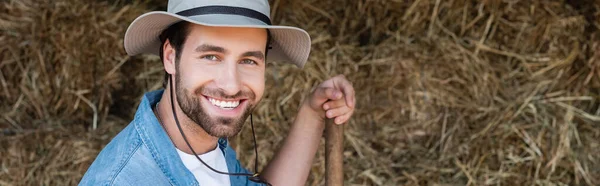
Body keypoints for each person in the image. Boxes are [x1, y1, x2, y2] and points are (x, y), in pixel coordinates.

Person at [79, 0, 355, 185]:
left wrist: (312, 113)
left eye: (249, 60)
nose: (231, 85)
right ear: (169, 56)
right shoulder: (126, 180)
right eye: (211, 56)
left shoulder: (202, 141)